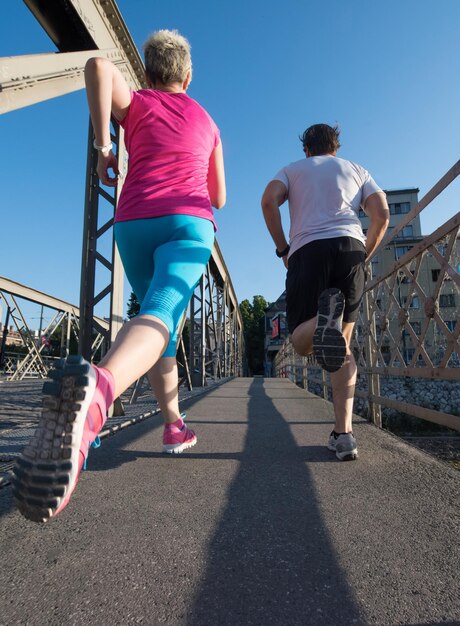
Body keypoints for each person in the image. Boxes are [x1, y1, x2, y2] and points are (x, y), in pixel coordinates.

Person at [13, 30, 226, 522]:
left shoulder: (140, 102)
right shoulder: (208, 121)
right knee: (163, 311)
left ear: (148, 73)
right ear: (188, 77)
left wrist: (106, 144)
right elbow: (218, 197)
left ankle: (174, 425)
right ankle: (101, 391)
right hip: (187, 223)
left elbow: (97, 67)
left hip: (133, 223)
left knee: (159, 330)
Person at [261, 123, 388, 461]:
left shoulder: (291, 170)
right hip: (350, 248)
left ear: (306, 149)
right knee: (340, 348)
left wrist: (282, 249)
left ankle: (321, 321)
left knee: (303, 344)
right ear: (337, 146)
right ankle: (344, 436)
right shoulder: (357, 170)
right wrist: (365, 253)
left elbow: (268, 202)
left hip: (307, 252)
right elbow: (383, 213)